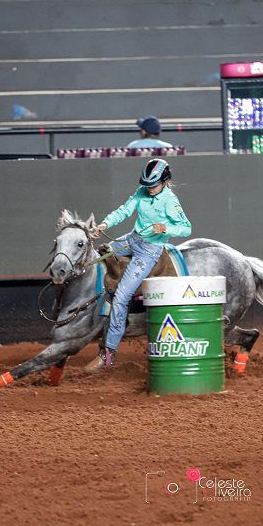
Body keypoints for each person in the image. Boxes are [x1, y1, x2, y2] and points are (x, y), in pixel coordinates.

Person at [87, 158, 191, 371]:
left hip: (149, 251)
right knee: (100, 256)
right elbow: (124, 211)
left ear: (164, 181)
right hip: (131, 239)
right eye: (147, 185)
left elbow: (186, 228)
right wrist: (105, 224)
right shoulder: (142, 192)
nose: (149, 189)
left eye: (153, 185)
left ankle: (109, 352)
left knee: (122, 297)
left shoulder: (170, 201)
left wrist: (165, 229)